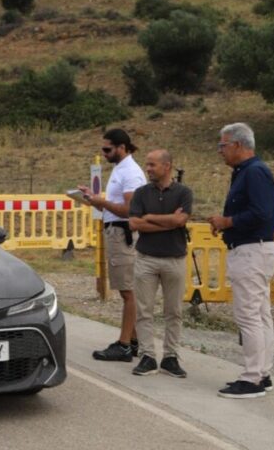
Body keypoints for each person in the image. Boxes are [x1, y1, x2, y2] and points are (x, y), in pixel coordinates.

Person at [207, 123, 274, 399]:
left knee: (248, 314)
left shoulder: (254, 172)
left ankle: (252, 378)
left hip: (251, 250)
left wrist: (227, 221)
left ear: (238, 145)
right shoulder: (248, 172)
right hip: (254, 248)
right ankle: (262, 372)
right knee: (260, 314)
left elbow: (261, 212)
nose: (220, 151)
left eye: (223, 145)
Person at [79, 128, 146, 362]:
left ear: (121, 147)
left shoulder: (131, 172)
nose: (104, 153)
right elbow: (115, 205)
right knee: (127, 289)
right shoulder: (121, 169)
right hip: (115, 231)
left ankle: (124, 344)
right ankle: (134, 341)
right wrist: (94, 199)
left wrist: (102, 202)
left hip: (122, 233)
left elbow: (130, 210)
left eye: (107, 149)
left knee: (128, 291)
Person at [127, 150, 192, 378]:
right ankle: (147, 355)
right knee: (144, 310)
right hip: (146, 258)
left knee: (174, 311)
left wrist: (150, 217)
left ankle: (170, 356)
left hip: (174, 259)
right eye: (147, 164)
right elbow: (134, 224)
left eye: (152, 165)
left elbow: (181, 219)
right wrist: (170, 222)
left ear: (167, 166)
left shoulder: (184, 192)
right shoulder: (141, 193)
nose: (148, 169)